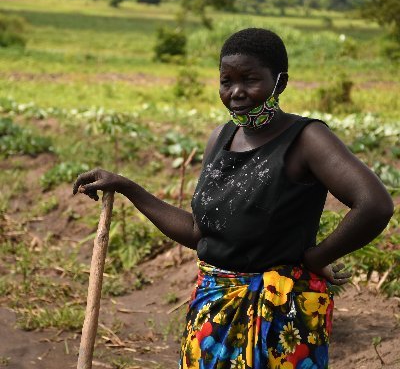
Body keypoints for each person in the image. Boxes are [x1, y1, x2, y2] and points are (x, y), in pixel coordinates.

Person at [73, 28, 394, 369]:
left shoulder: (306, 139)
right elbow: (200, 233)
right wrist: (127, 187)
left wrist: (317, 256)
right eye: (227, 81)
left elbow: (374, 204)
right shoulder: (221, 138)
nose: (236, 92)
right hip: (212, 311)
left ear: (279, 83)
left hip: (278, 319)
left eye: (250, 79)